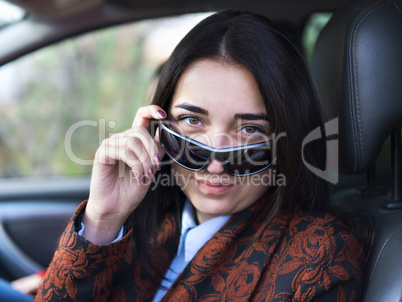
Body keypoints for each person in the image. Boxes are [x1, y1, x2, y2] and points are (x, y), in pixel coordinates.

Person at [34, 10, 366, 301]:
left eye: (249, 129)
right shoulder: (141, 221)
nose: (215, 161)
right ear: (159, 126)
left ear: (287, 138)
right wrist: (102, 219)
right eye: (193, 121)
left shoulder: (319, 255)